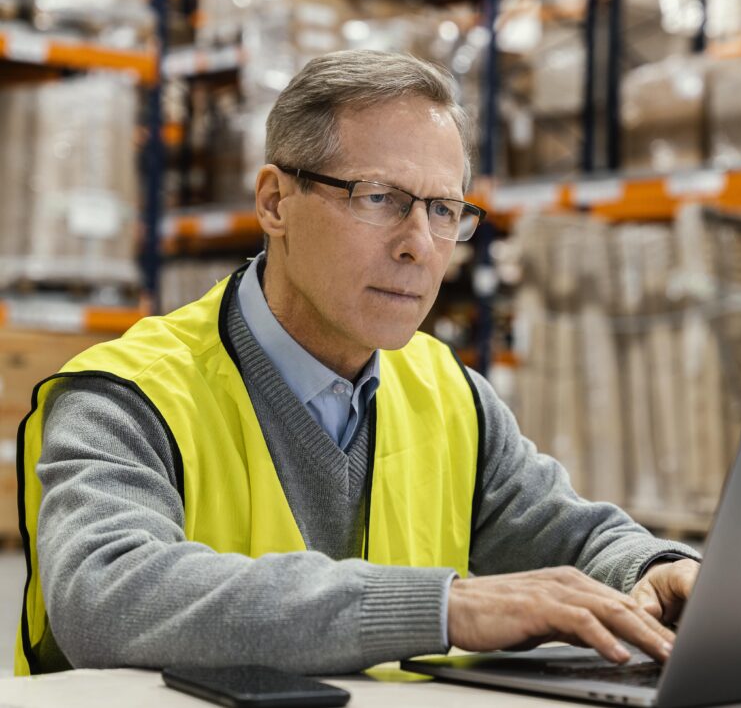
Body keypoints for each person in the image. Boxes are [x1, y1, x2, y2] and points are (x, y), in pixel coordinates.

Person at [15, 50, 701, 677]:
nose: (419, 245)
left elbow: (574, 538)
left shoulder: (450, 395)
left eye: (443, 210)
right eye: (379, 198)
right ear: (275, 201)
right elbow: (107, 595)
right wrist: (444, 608)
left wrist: (656, 568)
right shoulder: (126, 395)